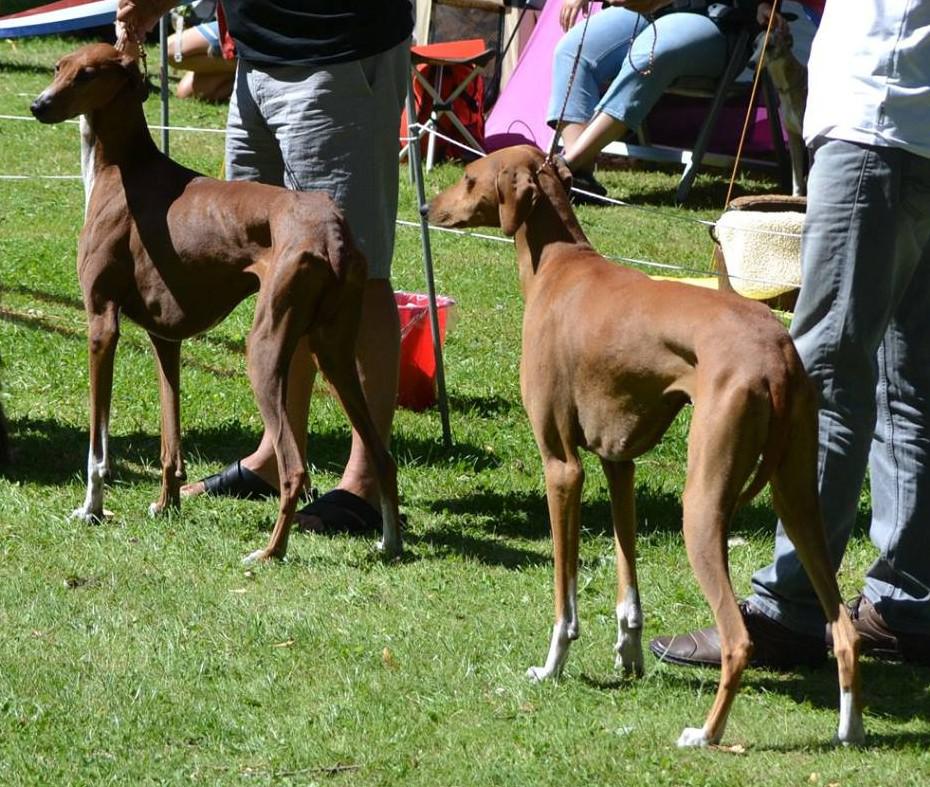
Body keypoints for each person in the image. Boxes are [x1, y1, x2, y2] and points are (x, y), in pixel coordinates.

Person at [652, 0, 930, 667]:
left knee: (824, 381)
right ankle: (906, 605)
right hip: (909, 121)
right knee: (907, 383)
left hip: (878, 120)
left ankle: (792, 608)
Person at [116, 0, 413, 534]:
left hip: (336, 52)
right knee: (279, 264)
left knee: (353, 271)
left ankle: (366, 481)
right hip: (258, 60)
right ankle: (277, 455)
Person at [548, 0, 776, 201]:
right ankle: (579, 179)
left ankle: (566, 166)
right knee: (571, 50)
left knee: (648, 55)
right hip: (647, 13)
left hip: (718, 21)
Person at [165, 10, 236, 103]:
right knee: (185, 92)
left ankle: (246, 64)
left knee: (171, 49)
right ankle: (243, 70)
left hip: (240, 21)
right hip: (225, 17)